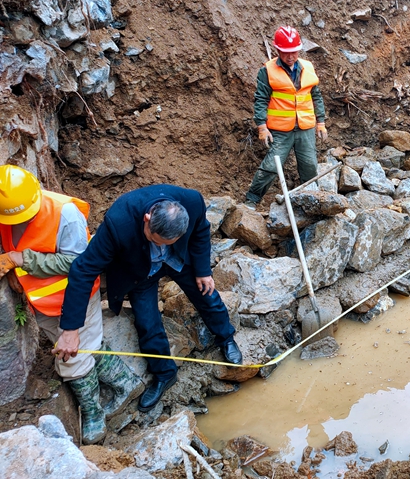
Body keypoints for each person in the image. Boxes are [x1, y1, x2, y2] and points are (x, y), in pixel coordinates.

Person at [58, 184, 242, 413]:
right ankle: (165, 374)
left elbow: (201, 231)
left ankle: (226, 337)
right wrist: (70, 329)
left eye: (166, 242)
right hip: (141, 269)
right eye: (156, 240)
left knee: (206, 294)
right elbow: (83, 270)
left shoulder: (192, 202)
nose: (160, 245)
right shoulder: (119, 221)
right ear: (147, 218)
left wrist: (203, 270)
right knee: (147, 322)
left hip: (177, 260)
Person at [0, 165, 143, 444]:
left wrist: (22, 260)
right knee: (88, 346)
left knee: (70, 358)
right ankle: (126, 384)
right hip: (41, 301)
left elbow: (79, 263)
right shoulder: (7, 208)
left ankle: (93, 413)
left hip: (76, 296)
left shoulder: (65, 215)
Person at [245, 26, 327, 206]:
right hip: (281, 130)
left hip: (305, 128)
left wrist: (320, 122)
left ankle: (312, 202)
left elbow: (316, 96)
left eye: (294, 52)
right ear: (277, 50)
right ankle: (252, 200)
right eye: (285, 52)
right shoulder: (267, 70)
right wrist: (262, 127)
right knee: (271, 166)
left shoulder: (308, 67)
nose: (290, 56)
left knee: (309, 166)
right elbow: (261, 99)